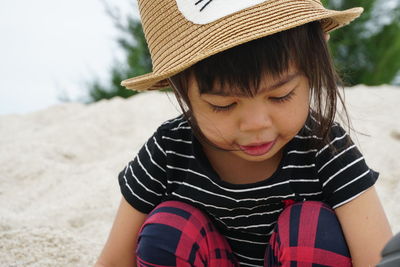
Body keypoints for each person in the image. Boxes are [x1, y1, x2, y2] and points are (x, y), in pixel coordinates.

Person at [95, 0, 393, 266]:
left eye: (281, 96)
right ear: (179, 87)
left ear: (314, 63)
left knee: (310, 230)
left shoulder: (325, 147)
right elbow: (115, 259)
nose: (256, 124)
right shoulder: (170, 150)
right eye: (223, 105)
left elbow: (376, 258)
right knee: (170, 229)